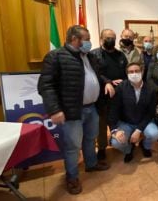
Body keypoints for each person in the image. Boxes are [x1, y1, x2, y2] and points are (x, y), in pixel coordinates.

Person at [37, 25, 112, 195]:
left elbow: (97, 75)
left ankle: (91, 164)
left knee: (90, 139)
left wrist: (106, 81)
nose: (89, 42)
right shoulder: (56, 56)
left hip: (92, 107)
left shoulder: (90, 56)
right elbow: (45, 85)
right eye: (86, 38)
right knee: (72, 146)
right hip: (72, 111)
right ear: (74, 39)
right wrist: (54, 110)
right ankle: (72, 176)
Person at [108, 62, 158, 163]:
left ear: (142, 72)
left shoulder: (151, 89)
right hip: (125, 122)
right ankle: (128, 149)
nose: (134, 74)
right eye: (131, 72)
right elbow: (113, 109)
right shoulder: (121, 87)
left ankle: (145, 146)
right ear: (127, 74)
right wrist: (114, 130)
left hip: (144, 121)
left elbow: (151, 112)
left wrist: (139, 130)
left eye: (137, 71)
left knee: (154, 134)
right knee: (116, 142)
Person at [90, 29, 128, 161]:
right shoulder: (94, 54)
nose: (110, 40)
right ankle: (101, 148)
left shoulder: (120, 55)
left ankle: (119, 141)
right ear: (101, 39)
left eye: (113, 37)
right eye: (107, 38)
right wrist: (108, 82)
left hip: (118, 95)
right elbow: (94, 73)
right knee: (102, 123)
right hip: (101, 95)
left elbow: (126, 73)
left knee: (118, 120)